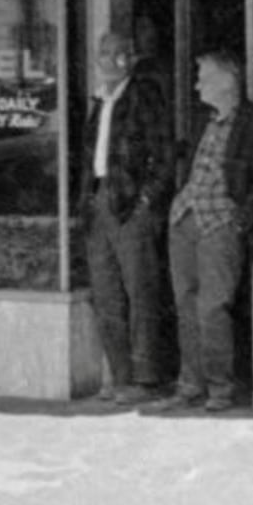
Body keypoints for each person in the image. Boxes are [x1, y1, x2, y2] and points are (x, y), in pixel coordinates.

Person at [164, 45, 253, 411]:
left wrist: (242, 219)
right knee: (186, 304)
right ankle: (190, 383)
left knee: (212, 306)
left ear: (227, 81)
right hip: (185, 217)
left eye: (204, 78)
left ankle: (220, 387)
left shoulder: (252, 120)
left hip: (220, 221)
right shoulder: (202, 119)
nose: (196, 86)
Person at [79, 24, 177, 401]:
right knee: (106, 294)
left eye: (120, 54)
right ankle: (120, 377)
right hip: (100, 200)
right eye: (105, 54)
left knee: (141, 292)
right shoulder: (101, 98)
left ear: (132, 59)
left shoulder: (143, 94)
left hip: (129, 203)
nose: (111, 61)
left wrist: (147, 203)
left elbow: (164, 153)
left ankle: (146, 379)